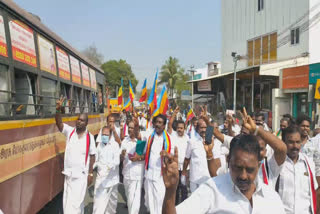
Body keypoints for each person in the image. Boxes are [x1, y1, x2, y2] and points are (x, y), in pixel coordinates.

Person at [161, 135, 286, 214]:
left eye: (249, 170)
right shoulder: (212, 190)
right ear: (228, 161)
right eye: (237, 168)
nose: (243, 176)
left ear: (258, 166)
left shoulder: (271, 198)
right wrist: (171, 191)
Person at [55, 97, 96, 214]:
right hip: (68, 175)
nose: (79, 121)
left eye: (82, 120)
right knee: (68, 203)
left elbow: (92, 156)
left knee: (74, 207)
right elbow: (59, 124)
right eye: (78, 119)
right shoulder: (70, 132)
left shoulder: (90, 138)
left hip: (81, 177)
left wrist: (91, 173)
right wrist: (58, 111)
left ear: (86, 123)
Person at [138, 114, 176, 214]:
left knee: (159, 200)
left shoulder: (169, 139)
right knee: (149, 201)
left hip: (161, 175)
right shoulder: (150, 136)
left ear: (164, 126)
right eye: (156, 122)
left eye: (160, 123)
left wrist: (167, 154)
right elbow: (146, 153)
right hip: (149, 173)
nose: (158, 125)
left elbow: (173, 157)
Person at [277, 125, 318, 214]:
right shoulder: (277, 164)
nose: (295, 146)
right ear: (283, 142)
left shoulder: (309, 163)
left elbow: (314, 192)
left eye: (298, 142)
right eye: (290, 142)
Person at [182, 117, 221, 192]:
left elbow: (217, 162)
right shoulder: (191, 142)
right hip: (194, 180)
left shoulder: (213, 143)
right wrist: (183, 174)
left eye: (205, 127)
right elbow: (187, 159)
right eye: (201, 127)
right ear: (197, 129)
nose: (203, 130)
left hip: (208, 180)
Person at [93, 126, 120, 214]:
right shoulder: (99, 146)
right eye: (103, 134)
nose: (104, 136)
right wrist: (93, 166)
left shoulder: (115, 145)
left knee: (111, 205)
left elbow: (117, 161)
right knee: (98, 205)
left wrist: (109, 166)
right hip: (100, 179)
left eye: (106, 135)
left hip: (112, 180)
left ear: (110, 135)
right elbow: (96, 160)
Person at [120, 120, 145, 214]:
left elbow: (146, 156)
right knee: (129, 198)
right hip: (126, 174)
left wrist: (138, 158)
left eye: (132, 128)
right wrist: (121, 156)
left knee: (134, 200)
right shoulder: (125, 141)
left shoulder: (141, 141)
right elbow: (121, 156)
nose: (130, 129)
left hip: (137, 174)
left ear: (136, 129)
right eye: (129, 127)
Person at [167, 107, 189, 204]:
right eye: (178, 128)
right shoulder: (173, 136)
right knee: (175, 190)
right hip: (175, 168)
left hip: (185, 169)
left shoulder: (188, 138)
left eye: (181, 128)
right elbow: (170, 124)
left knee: (184, 190)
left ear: (184, 129)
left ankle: (183, 208)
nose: (180, 130)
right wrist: (174, 113)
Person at [296, 115, 320, 181]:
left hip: (310, 179)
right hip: (296, 176)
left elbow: (317, 165)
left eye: (307, 126)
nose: (305, 128)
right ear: (297, 126)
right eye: (303, 126)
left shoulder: (313, 144)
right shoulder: (293, 144)